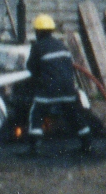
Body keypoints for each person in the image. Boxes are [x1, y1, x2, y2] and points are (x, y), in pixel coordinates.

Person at [23, 14, 93, 154]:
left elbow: (31, 67)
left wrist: (36, 82)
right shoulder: (61, 45)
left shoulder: (37, 47)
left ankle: (34, 147)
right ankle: (87, 144)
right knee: (74, 115)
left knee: (36, 114)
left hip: (48, 90)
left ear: (38, 32)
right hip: (68, 88)